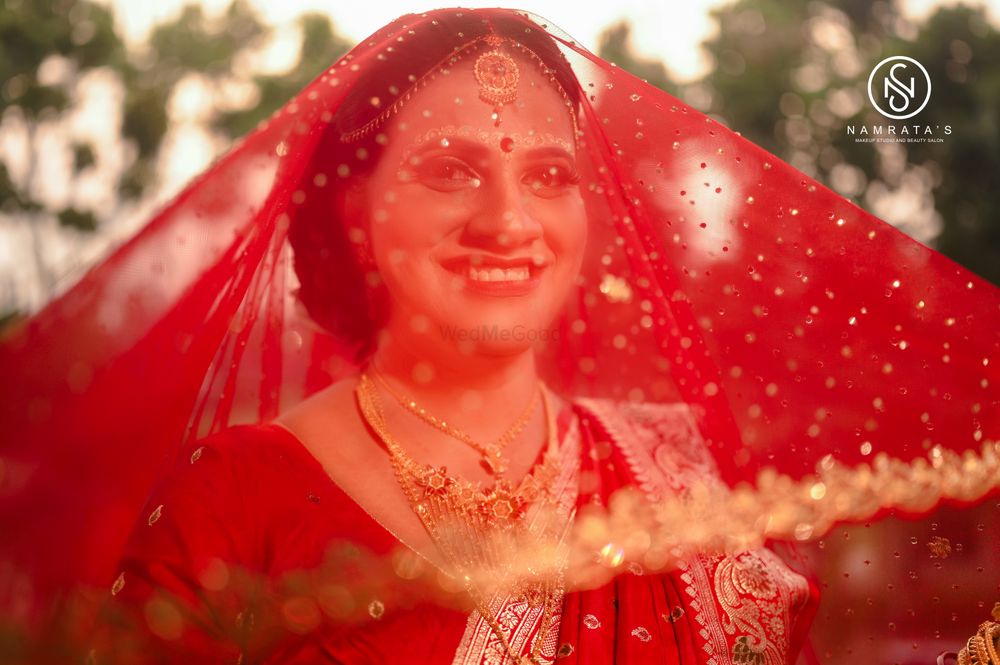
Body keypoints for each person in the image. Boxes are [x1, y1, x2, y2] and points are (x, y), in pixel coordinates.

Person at [1, 8, 996, 665]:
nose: (508, 219)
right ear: (354, 212)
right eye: (450, 169)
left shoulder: (678, 469)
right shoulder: (230, 499)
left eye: (551, 176)